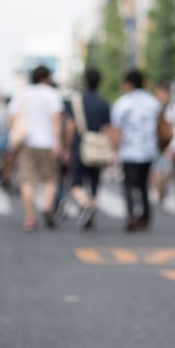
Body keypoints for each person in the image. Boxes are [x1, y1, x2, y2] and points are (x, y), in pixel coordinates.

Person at [8, 65, 64, 231]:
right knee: (51, 179)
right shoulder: (52, 94)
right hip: (47, 142)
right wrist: (58, 143)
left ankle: (30, 218)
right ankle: (47, 206)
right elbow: (56, 121)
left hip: (26, 143)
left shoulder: (22, 93)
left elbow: (11, 117)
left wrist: (14, 138)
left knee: (27, 181)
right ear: (47, 78)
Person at [111, 70, 161, 232]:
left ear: (128, 84)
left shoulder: (122, 103)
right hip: (148, 150)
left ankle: (132, 214)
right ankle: (145, 217)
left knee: (129, 185)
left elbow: (117, 130)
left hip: (129, 150)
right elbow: (160, 126)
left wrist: (114, 150)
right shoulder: (153, 103)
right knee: (143, 185)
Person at [61, 69, 111, 229]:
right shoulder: (104, 103)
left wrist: (67, 148)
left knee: (75, 183)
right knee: (95, 183)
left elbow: (69, 126)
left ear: (85, 81)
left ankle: (86, 205)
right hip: (97, 148)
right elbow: (107, 129)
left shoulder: (75, 101)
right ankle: (92, 214)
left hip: (79, 146)